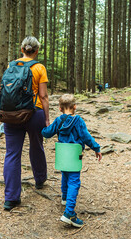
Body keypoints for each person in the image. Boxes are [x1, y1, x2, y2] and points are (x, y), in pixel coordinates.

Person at [3, 36, 50, 210]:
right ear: (37, 51)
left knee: (12, 153)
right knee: (37, 145)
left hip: (11, 114)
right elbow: (44, 96)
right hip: (34, 112)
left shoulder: (11, 65)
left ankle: (11, 198)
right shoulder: (39, 67)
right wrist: (46, 118)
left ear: (21, 49)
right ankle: (39, 179)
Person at [41, 94, 102, 228]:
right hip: (74, 155)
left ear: (60, 108)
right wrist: (96, 148)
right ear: (74, 107)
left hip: (63, 155)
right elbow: (86, 137)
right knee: (74, 181)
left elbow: (47, 133)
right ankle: (69, 213)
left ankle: (65, 198)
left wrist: (42, 127)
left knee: (65, 175)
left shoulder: (58, 120)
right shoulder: (78, 121)